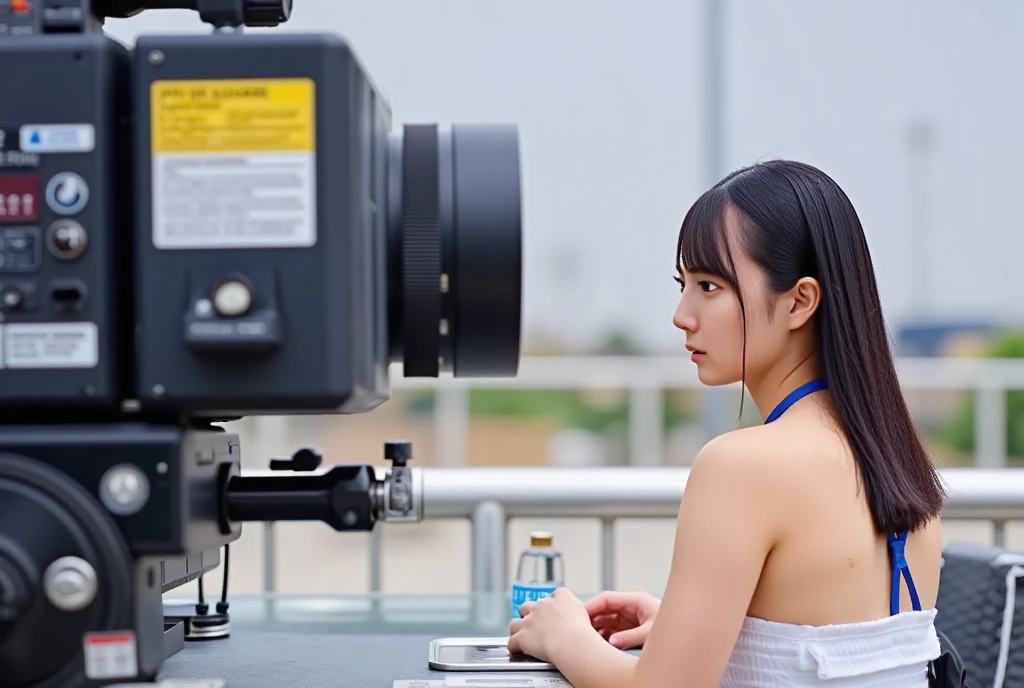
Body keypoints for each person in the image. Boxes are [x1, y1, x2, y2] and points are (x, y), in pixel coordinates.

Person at [507, 159, 948, 687]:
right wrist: (688, 627)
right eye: (683, 283)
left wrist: (564, 637)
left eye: (710, 286)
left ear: (799, 301)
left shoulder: (741, 465)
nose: (681, 314)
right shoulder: (900, 468)